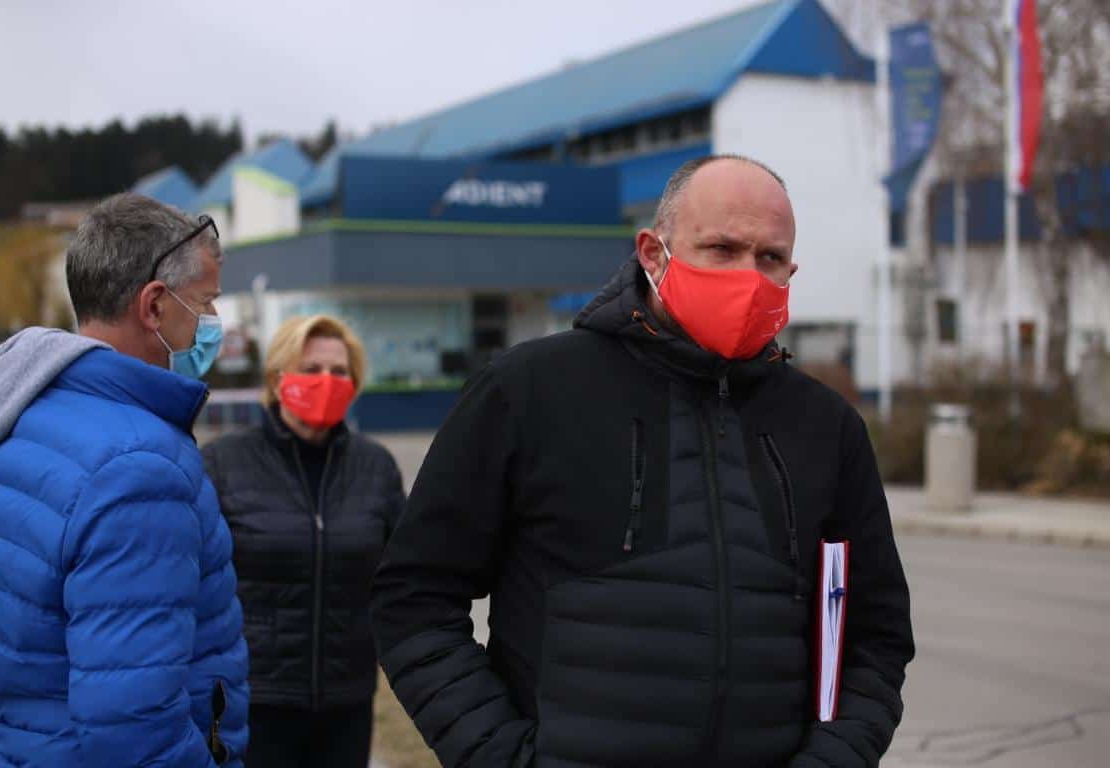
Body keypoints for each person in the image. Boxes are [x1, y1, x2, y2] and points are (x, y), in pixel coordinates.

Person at [371, 155, 915, 767]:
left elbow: (875, 635)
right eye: (722, 248)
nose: (749, 275)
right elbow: (414, 598)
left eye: (769, 257)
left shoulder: (826, 425)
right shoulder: (529, 390)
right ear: (654, 254)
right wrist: (503, 757)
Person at [0, 193, 249, 767]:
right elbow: (135, 728)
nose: (213, 322)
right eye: (205, 303)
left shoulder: (29, 415)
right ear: (155, 306)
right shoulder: (140, 468)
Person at [202, 314, 405, 767]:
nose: (326, 381)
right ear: (278, 379)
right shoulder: (224, 463)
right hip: (254, 699)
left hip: (347, 700)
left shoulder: (376, 468)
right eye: (311, 369)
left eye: (339, 371)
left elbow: (403, 575)